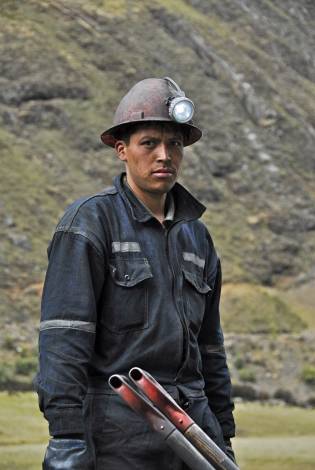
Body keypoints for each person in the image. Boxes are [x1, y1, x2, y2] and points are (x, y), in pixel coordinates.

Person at [36, 77, 236, 469]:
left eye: (174, 144)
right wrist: (67, 436)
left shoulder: (197, 237)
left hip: (194, 434)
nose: (164, 155)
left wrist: (222, 433)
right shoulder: (89, 223)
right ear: (121, 150)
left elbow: (210, 348)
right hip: (117, 439)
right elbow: (64, 339)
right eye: (149, 143)